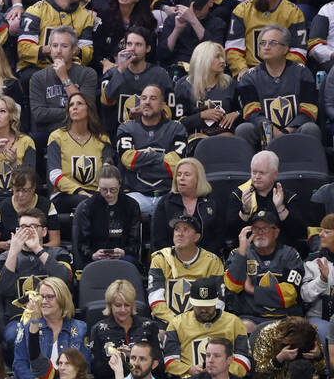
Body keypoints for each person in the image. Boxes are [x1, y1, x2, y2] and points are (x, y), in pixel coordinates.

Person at [0, 208, 75, 347]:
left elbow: (65, 279)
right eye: (23, 227)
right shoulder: (4, 258)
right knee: (14, 335)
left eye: (33, 227)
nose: (28, 231)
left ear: (44, 231)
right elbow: (2, 289)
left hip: (54, 316)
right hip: (19, 318)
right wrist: (13, 252)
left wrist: (37, 249)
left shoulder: (60, 253)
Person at [235, 24, 321, 149]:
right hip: (264, 133)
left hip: (295, 131)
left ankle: (310, 166)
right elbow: (251, 112)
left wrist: (288, 130)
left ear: (286, 48)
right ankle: (251, 167)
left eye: (273, 43)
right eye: (262, 43)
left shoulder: (302, 73)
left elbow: (309, 109)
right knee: (244, 129)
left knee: (311, 128)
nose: (266, 47)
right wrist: (271, 130)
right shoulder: (250, 77)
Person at [226, 208, 305, 329]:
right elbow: (233, 287)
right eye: (256, 228)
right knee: (243, 326)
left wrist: (252, 290)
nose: (260, 232)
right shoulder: (238, 254)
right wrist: (242, 251)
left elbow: (289, 294)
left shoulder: (290, 254)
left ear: (276, 232)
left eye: (265, 228)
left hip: (285, 317)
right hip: (250, 316)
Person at [115, 84, 187, 216]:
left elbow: (176, 165)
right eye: (143, 98)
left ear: (162, 105)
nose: (147, 102)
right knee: (120, 210)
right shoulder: (126, 128)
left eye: (153, 98)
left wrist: (141, 159)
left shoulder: (177, 128)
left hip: (169, 195)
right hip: (136, 195)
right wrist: (162, 158)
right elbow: (128, 160)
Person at [225, 0, 308, 77]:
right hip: (250, 71)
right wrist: (242, 69)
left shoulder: (293, 12)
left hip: (282, 72)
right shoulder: (241, 10)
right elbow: (233, 48)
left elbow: (299, 50)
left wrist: (280, 71)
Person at [16, 0, 96, 76]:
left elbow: (88, 54)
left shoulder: (85, 16)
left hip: (70, 69)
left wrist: (75, 51)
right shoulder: (36, 11)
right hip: (37, 69)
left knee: (89, 74)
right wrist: (53, 50)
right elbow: (23, 49)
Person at [12, 276, 89, 379]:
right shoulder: (28, 326)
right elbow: (19, 364)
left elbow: (84, 367)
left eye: (50, 297)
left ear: (62, 299)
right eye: (41, 297)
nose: (43, 301)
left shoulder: (79, 328)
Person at [29, 26, 99, 145]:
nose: (58, 51)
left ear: (74, 50)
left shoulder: (88, 74)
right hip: (48, 133)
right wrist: (71, 112)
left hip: (80, 131)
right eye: (55, 46)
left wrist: (64, 77)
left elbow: (86, 110)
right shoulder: (38, 77)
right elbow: (39, 114)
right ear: (50, 49)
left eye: (64, 46)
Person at [47, 93, 114, 214]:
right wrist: (80, 191)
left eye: (79, 103)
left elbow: (107, 171)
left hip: (96, 193)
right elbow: (54, 175)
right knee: (85, 202)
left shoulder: (102, 138)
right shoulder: (57, 137)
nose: (74, 107)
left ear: (89, 109)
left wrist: (98, 194)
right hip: (64, 195)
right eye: (71, 104)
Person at [100, 28, 172, 134]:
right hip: (116, 134)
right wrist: (120, 69)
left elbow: (169, 113)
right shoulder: (112, 73)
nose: (132, 49)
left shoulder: (160, 75)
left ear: (148, 48)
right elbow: (106, 101)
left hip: (152, 135)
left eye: (138, 45)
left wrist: (148, 111)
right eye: (129, 44)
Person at [89, 280, 158, 379]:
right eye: (118, 305)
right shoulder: (98, 330)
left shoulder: (149, 326)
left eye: (127, 305)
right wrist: (120, 360)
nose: (123, 310)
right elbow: (96, 371)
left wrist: (133, 356)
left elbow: (159, 366)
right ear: (110, 305)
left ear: (133, 305)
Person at [74, 165, 143, 269]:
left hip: (123, 257)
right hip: (95, 258)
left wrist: (124, 251)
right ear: (98, 186)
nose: (108, 194)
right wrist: (93, 254)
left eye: (113, 189)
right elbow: (82, 243)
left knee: (129, 264)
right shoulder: (88, 207)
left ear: (120, 185)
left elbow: (135, 242)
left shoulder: (131, 205)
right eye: (104, 190)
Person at [152, 159, 225, 254]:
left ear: (198, 178)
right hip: (172, 258)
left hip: (206, 258)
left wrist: (200, 257)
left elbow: (218, 236)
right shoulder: (166, 202)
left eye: (187, 175)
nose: (181, 178)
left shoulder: (212, 201)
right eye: (178, 175)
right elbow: (159, 239)